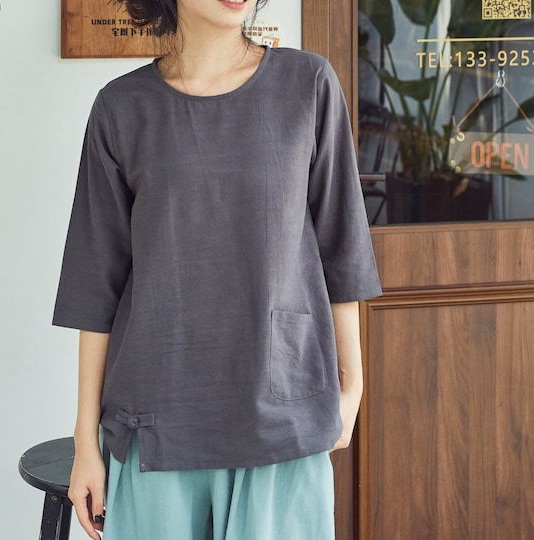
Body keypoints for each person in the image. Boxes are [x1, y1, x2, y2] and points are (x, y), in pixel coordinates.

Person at [53, 0, 382, 538]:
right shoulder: (121, 107)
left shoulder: (308, 84)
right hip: (157, 419)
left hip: (282, 410)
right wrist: (85, 441)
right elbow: (97, 284)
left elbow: (341, 246)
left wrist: (353, 385)